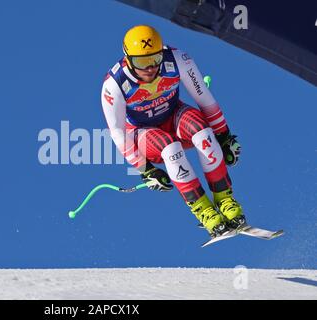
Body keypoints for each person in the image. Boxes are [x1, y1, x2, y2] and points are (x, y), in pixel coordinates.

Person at [101, 25, 245, 237]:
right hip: (143, 133)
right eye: (142, 62)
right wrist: (146, 170)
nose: (150, 68)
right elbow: (117, 132)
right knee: (169, 147)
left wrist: (224, 136)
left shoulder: (178, 60)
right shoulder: (114, 85)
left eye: (155, 59)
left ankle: (225, 199)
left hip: (174, 115)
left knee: (202, 131)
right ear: (128, 60)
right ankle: (204, 210)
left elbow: (205, 100)